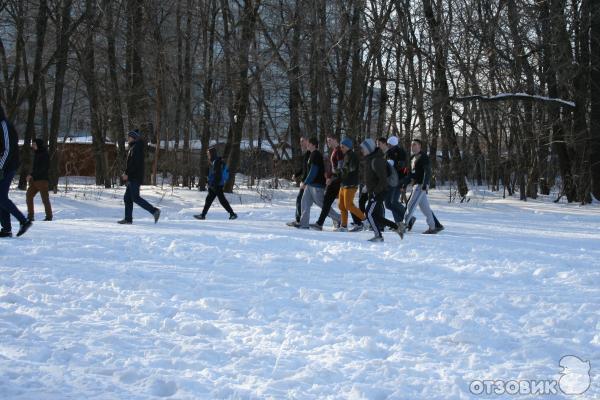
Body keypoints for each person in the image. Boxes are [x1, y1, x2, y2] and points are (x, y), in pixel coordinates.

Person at [361, 138, 404, 242]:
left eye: (363, 148)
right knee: (374, 215)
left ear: (369, 148)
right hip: (374, 191)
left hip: (379, 192)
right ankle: (397, 227)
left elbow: (383, 180)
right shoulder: (370, 159)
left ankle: (378, 236)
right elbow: (372, 176)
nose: (362, 150)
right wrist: (367, 187)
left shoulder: (376, 160)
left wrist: (375, 192)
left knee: (369, 213)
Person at [0, 105, 32, 237]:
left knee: (1, 197)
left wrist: (0, 167)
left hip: (8, 166)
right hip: (3, 166)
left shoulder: (3, 125)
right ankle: (6, 229)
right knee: (1, 198)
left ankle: (24, 221)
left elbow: (7, 149)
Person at [293, 137, 339, 229]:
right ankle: (304, 223)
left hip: (317, 185)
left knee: (322, 204)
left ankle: (338, 218)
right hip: (310, 185)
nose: (307, 145)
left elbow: (313, 171)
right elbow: (308, 170)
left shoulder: (316, 155)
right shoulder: (311, 154)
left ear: (313, 145)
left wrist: (305, 182)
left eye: (309, 144)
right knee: (304, 202)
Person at [401, 138, 443, 234]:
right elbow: (411, 174)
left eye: (415, 144)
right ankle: (433, 227)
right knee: (425, 209)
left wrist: (425, 184)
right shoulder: (412, 158)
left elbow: (427, 171)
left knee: (410, 205)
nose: (412, 146)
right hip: (416, 185)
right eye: (412, 145)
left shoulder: (424, 157)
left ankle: (403, 226)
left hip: (420, 186)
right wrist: (405, 184)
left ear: (420, 146)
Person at [119, 130, 161, 224]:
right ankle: (128, 219)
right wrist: (126, 173)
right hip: (132, 177)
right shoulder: (133, 147)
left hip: (134, 178)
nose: (128, 138)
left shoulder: (136, 148)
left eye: (129, 137)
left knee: (136, 198)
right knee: (127, 198)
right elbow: (130, 164)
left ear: (133, 138)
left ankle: (154, 211)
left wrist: (127, 174)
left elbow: (136, 165)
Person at [194, 147, 237, 220]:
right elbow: (213, 173)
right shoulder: (215, 161)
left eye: (208, 154)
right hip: (214, 185)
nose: (208, 155)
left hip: (217, 185)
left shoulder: (216, 162)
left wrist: (214, 184)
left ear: (212, 154)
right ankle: (203, 215)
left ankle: (232, 214)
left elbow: (217, 174)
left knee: (222, 200)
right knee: (209, 200)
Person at [310, 134, 342, 230]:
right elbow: (333, 168)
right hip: (333, 181)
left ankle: (321, 223)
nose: (328, 143)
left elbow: (339, 169)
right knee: (326, 203)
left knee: (327, 203)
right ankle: (327, 222)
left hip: (336, 182)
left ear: (335, 140)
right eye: (327, 141)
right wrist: (328, 176)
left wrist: (331, 178)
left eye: (330, 140)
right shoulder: (335, 151)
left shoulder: (339, 152)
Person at [337, 138, 365, 231]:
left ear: (348, 146)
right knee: (341, 205)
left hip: (351, 184)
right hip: (344, 184)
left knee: (348, 205)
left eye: (343, 146)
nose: (341, 148)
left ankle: (365, 220)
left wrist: (341, 171)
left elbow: (352, 168)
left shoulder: (353, 155)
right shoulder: (346, 155)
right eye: (341, 146)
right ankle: (344, 226)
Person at [377, 136, 406, 225]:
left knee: (392, 202)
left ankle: (406, 218)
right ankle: (400, 221)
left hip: (397, 180)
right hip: (393, 181)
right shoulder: (390, 152)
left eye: (389, 144)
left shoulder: (397, 152)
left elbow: (402, 167)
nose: (388, 145)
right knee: (389, 204)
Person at [26, 138, 53, 221]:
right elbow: (35, 168)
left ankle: (49, 216)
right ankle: (30, 216)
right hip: (35, 181)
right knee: (28, 195)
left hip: (42, 181)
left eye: (34, 144)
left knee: (45, 199)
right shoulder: (37, 154)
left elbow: (42, 168)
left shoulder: (44, 154)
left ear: (38, 145)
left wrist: (31, 175)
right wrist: (31, 176)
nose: (32, 146)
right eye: (32, 144)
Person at [287, 136, 311, 227]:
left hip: (308, 183)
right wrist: (296, 174)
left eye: (303, 141)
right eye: (300, 141)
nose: (301, 143)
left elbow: (310, 170)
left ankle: (300, 221)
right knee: (301, 201)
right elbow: (304, 169)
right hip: (306, 182)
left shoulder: (310, 154)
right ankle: (299, 220)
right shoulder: (305, 154)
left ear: (308, 142)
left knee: (300, 200)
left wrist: (305, 182)